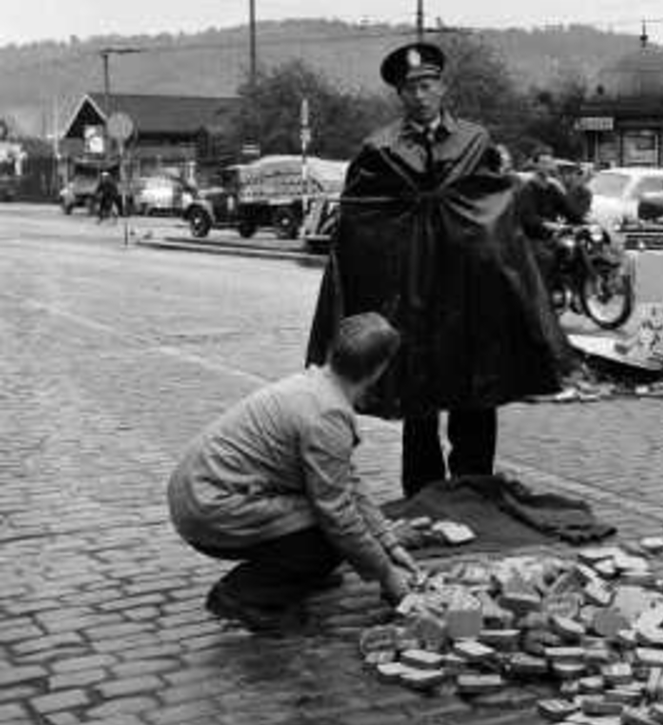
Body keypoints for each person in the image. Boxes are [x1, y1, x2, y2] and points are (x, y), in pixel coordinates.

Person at [306, 41, 567, 497]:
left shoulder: (475, 140)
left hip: (468, 291)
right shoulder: (379, 148)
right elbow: (361, 220)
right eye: (410, 88)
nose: (420, 95)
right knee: (417, 395)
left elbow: (495, 208)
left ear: (442, 87)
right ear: (400, 95)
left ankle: (475, 488)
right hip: (412, 293)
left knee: (477, 388)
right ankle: (423, 493)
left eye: (427, 84)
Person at [168, 312, 418, 627]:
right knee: (329, 535)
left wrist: (387, 541)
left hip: (200, 493)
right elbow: (338, 515)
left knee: (339, 531)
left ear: (332, 351)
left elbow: (346, 478)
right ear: (379, 369)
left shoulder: (317, 385)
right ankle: (243, 594)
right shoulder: (327, 415)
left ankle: (294, 577)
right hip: (208, 508)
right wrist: (386, 574)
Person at [515, 145, 585, 291]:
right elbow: (529, 218)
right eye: (543, 163)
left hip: (551, 237)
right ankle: (543, 298)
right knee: (547, 258)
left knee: (574, 251)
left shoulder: (552, 189)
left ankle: (570, 290)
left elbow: (568, 210)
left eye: (549, 162)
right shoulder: (526, 189)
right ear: (535, 164)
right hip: (532, 239)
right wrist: (551, 225)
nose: (547, 166)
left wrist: (586, 223)